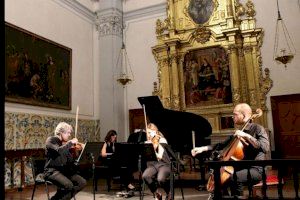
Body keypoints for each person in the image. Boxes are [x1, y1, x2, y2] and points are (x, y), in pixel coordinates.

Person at [191, 103, 270, 198]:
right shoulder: (239, 132)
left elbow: (265, 147)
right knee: (219, 177)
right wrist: (202, 148)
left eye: (235, 114)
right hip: (241, 167)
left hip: (256, 169)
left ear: (243, 115)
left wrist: (247, 136)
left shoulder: (257, 129)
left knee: (234, 177)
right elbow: (221, 145)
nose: (232, 117)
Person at [44, 122, 86, 200]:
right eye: (68, 133)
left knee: (82, 182)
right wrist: (70, 143)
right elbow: (58, 150)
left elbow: (69, 160)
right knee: (68, 185)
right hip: (51, 171)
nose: (69, 135)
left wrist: (78, 154)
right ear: (61, 133)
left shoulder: (65, 144)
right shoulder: (51, 140)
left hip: (64, 171)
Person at [142, 123, 171, 200]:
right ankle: (157, 193)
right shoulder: (148, 141)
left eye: (149, 132)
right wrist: (146, 148)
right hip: (153, 165)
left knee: (160, 179)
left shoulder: (162, 139)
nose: (148, 135)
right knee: (145, 176)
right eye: (147, 133)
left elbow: (160, 156)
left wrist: (151, 148)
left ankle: (169, 193)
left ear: (155, 131)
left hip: (164, 164)